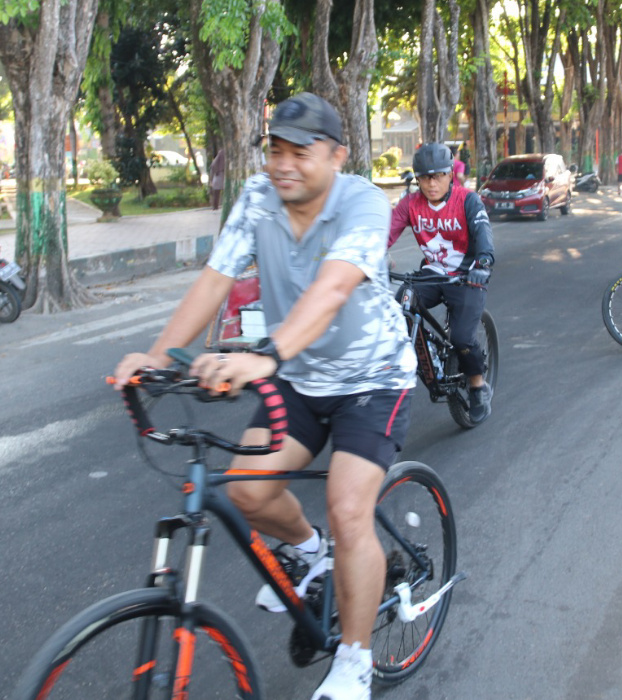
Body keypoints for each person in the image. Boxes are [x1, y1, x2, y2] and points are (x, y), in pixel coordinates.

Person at [113, 92, 417, 700]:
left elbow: (331, 290)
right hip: (299, 379)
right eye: (275, 149)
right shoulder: (257, 199)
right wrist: (156, 354)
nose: (283, 164)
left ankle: (355, 662)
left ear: (338, 154)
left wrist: (265, 355)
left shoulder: (362, 202)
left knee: (348, 509)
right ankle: (311, 554)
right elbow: (214, 279)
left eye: (300, 152)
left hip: (372, 381)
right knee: (247, 491)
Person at [389, 142, 496, 423]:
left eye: (437, 176)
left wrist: (483, 263)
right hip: (433, 274)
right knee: (401, 305)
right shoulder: (410, 204)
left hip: (467, 276)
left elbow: (483, 233)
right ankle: (425, 358)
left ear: (450, 174)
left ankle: (476, 385)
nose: (431, 183)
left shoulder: (468, 200)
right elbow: (384, 233)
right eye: (425, 177)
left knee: (461, 338)